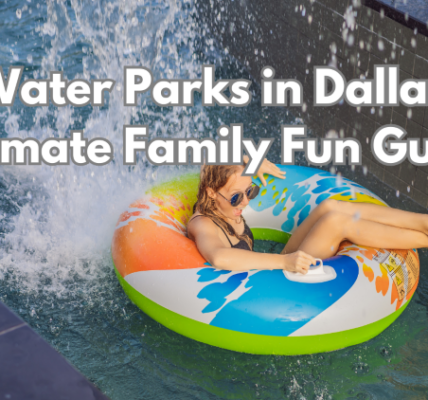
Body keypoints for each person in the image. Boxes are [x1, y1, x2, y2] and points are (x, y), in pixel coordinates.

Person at [187, 159, 428, 274]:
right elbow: (218, 257)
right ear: (210, 192)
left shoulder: (219, 188)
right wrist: (284, 262)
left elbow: (218, 164)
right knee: (335, 223)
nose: (247, 201)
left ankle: (422, 221)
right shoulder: (203, 223)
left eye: (250, 191)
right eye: (236, 198)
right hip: (267, 289)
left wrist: (251, 163)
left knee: (329, 206)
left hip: (271, 268)